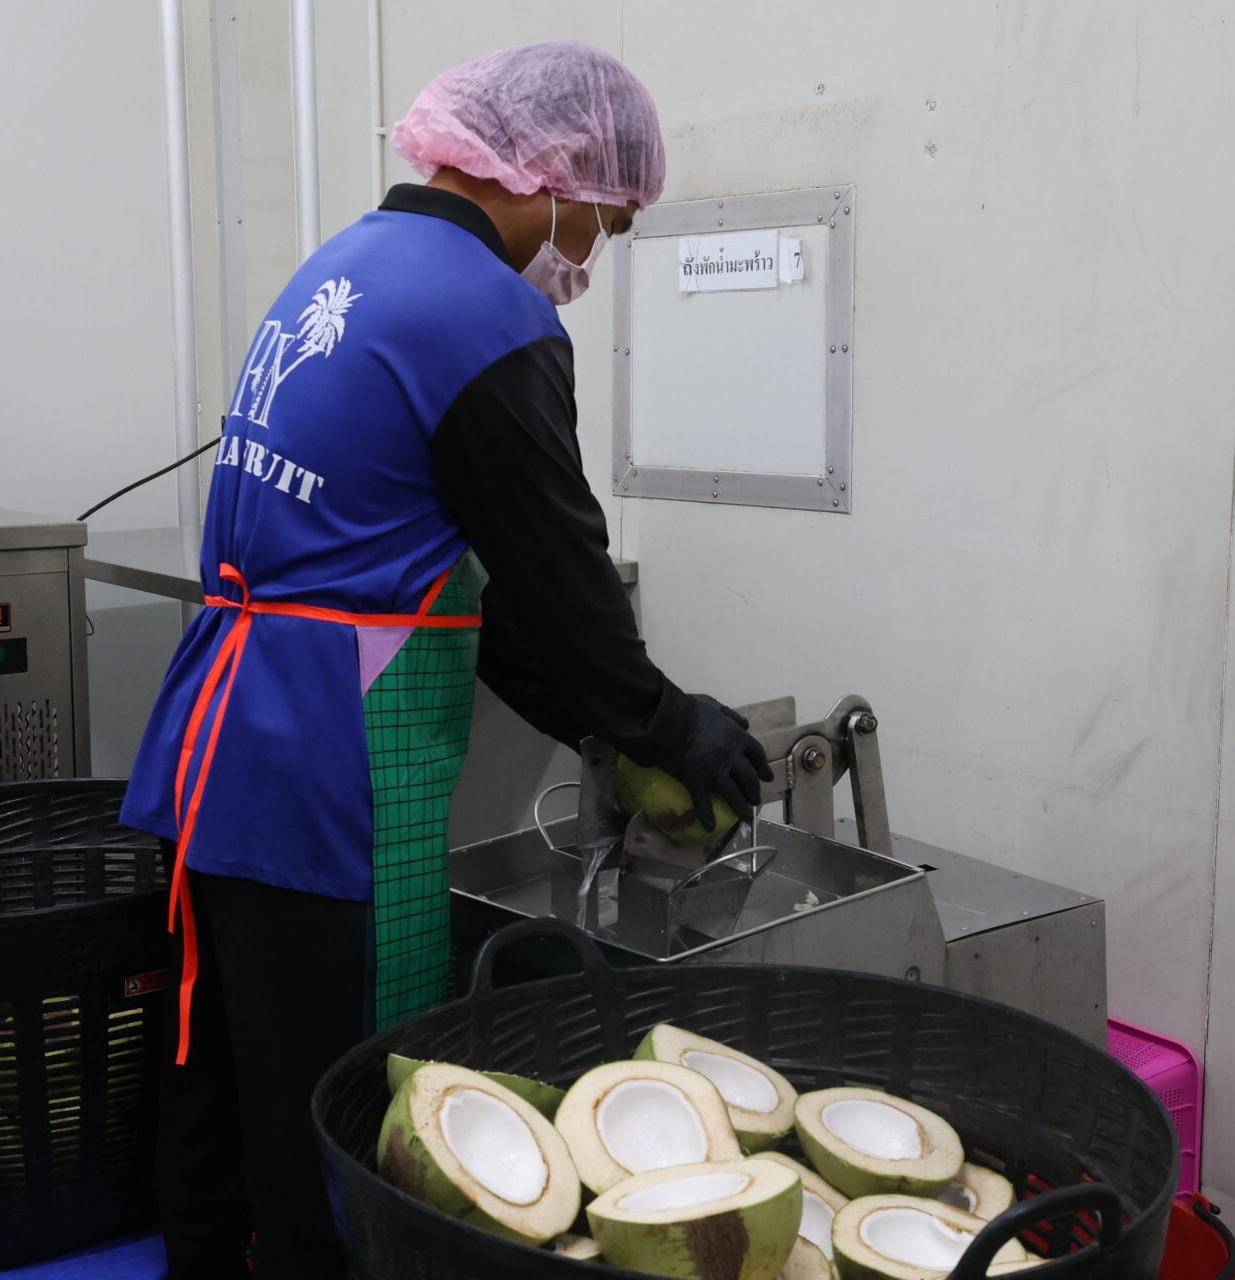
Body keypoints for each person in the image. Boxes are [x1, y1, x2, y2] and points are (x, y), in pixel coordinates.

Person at [118, 40, 772, 1279]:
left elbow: (440, 581)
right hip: (326, 767)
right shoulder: (487, 314)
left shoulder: (349, 264)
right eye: (609, 220)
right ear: (557, 172)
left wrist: (603, 726)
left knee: (219, 1065)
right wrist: (665, 723)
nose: (591, 257)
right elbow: (558, 567)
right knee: (336, 1102)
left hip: (216, 747)